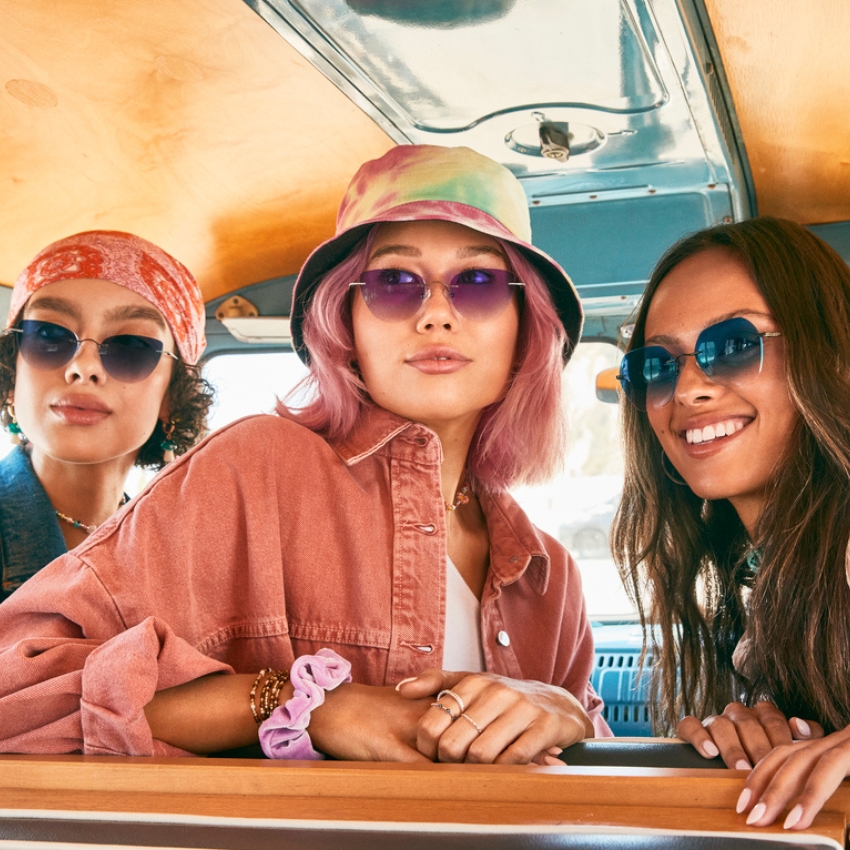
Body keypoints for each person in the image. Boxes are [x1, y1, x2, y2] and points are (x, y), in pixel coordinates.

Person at [0, 145, 608, 762]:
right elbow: (16, 698)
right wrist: (302, 705)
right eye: (394, 283)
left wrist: (570, 714)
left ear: (525, 325)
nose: (435, 315)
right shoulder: (252, 469)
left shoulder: (547, 573)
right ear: (343, 322)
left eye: (477, 283)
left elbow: (598, 783)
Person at [612, 216, 850, 831]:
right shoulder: (765, 576)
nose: (689, 388)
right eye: (656, 367)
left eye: (735, 345)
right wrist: (757, 734)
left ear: (831, 352)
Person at [0, 230, 213, 600]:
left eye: (130, 345)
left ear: (172, 398)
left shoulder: (182, 567)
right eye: (49, 334)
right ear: (11, 373)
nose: (83, 367)